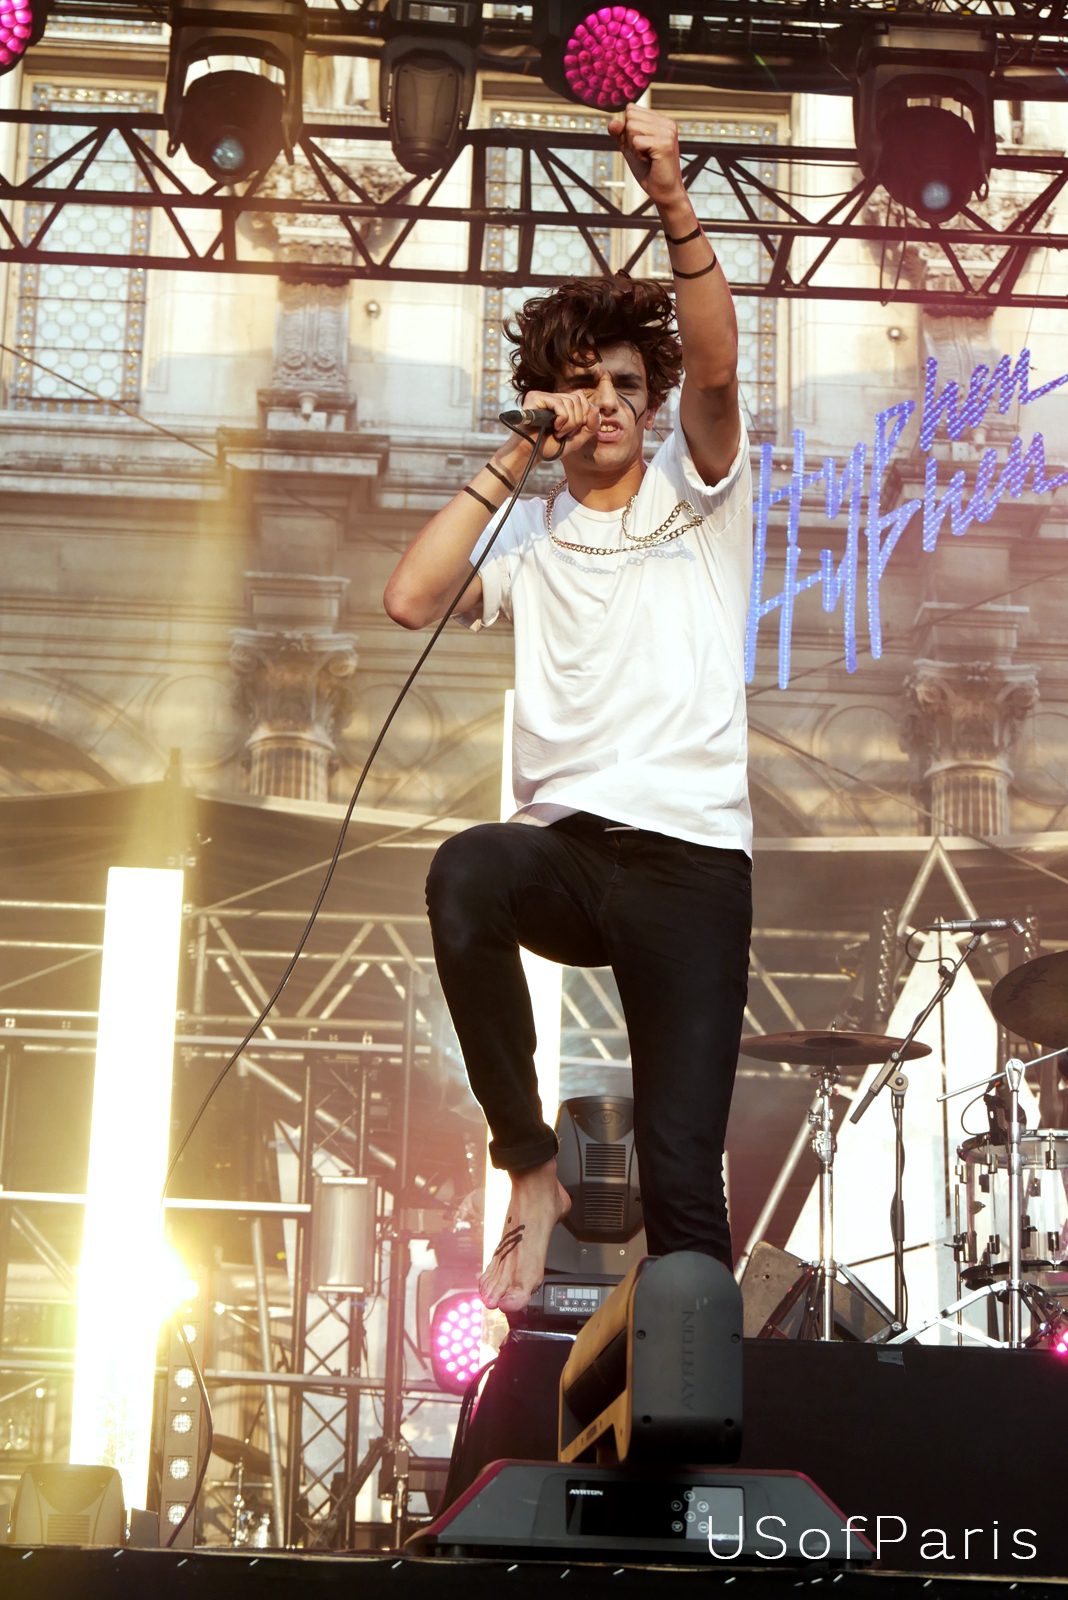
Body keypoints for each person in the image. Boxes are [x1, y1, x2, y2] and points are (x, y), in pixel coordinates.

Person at [384, 105, 753, 1315]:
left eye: (626, 384)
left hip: (693, 866)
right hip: (572, 860)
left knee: (683, 1178)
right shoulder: (530, 536)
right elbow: (410, 597)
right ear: (549, 405)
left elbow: (717, 367)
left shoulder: (700, 496)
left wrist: (673, 195)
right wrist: (518, 452)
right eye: (584, 385)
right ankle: (530, 1168)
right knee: (465, 872)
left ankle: (699, 1401)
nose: (608, 402)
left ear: (652, 403)